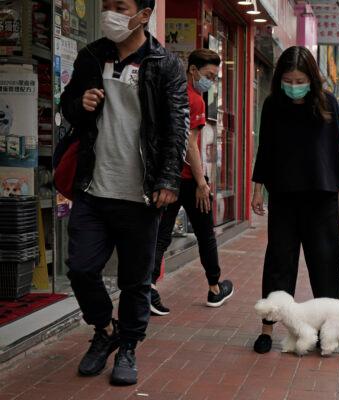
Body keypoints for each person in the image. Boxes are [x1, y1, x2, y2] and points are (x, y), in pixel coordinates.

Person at [60, 0, 189, 386]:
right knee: (81, 269)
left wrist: (167, 180)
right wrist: (78, 105)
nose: (111, 13)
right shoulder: (91, 55)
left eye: (121, 6)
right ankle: (104, 329)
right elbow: (68, 106)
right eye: (109, 5)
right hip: (93, 187)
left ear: (144, 14)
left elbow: (175, 126)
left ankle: (129, 347)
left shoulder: (164, 64)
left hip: (140, 194)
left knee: (135, 280)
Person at [251, 46, 339, 354]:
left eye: (300, 78)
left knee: (324, 264)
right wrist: (257, 186)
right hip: (284, 195)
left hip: (321, 196)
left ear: (312, 78)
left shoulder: (328, 103)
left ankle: (334, 332)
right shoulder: (273, 104)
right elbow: (266, 147)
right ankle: (266, 329)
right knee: (278, 263)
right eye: (288, 79)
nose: (294, 84)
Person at [150, 49, 234, 316]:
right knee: (206, 235)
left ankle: (148, 288)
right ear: (193, 70)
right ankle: (214, 288)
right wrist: (201, 183)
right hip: (188, 179)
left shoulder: (168, 93)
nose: (211, 80)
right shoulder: (194, 100)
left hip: (167, 177)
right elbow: (191, 146)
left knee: (161, 235)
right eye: (209, 75)